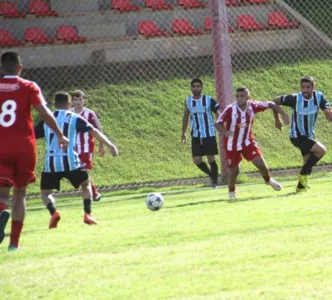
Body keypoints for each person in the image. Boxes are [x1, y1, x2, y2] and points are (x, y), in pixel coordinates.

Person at [0, 51, 68, 251]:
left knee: (2, 193)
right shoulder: (29, 86)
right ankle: (14, 243)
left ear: (2, 69)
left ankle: (2, 209)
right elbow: (44, 113)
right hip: (24, 147)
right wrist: (60, 134)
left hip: (1, 146)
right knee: (20, 193)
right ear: (20, 68)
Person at [34, 92, 119, 228]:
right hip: (71, 160)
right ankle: (87, 214)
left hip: (51, 163)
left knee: (45, 193)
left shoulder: (46, 119)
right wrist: (110, 145)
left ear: (55, 104)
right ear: (69, 104)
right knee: (85, 184)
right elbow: (94, 131)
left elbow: (32, 135)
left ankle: (54, 212)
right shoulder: (74, 117)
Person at [215, 87, 290, 201]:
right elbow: (218, 123)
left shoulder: (253, 106)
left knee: (262, 165)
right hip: (232, 145)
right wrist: (225, 132)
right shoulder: (230, 109)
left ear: (248, 97)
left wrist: (283, 113)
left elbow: (271, 104)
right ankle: (231, 191)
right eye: (238, 96)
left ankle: (268, 180)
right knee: (235, 172)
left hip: (247, 142)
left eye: (242, 96)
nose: (239, 99)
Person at [273, 76, 332, 192]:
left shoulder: (319, 97)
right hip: (297, 136)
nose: (305, 90)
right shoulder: (295, 98)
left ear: (313, 88)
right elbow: (274, 102)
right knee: (321, 150)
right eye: (303, 87)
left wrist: (329, 115)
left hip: (309, 135)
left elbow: (328, 115)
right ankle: (302, 174)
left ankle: (300, 188)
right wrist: (278, 119)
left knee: (307, 161)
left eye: (308, 87)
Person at [181, 78, 220, 187]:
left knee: (211, 158)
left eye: (198, 86)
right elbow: (186, 117)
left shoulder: (208, 100)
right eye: (194, 86)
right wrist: (183, 133)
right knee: (197, 160)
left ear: (201, 88)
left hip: (209, 133)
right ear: (191, 88)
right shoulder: (188, 101)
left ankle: (215, 183)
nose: (196, 88)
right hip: (196, 135)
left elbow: (218, 114)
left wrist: (221, 127)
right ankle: (212, 175)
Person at [72, 90, 104, 201]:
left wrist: (101, 145)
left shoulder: (89, 114)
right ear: (72, 101)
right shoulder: (68, 113)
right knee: (79, 173)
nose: (78, 102)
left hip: (86, 147)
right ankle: (94, 193)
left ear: (83, 101)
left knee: (83, 171)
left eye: (80, 99)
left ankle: (91, 196)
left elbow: (98, 130)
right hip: (72, 148)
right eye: (75, 100)